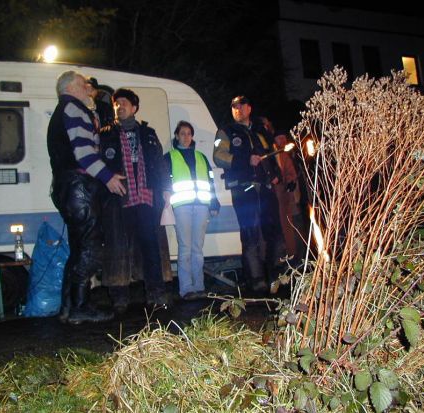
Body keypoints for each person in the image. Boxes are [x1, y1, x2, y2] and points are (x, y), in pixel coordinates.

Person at [47, 70, 126, 324]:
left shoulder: (64, 110)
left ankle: (69, 307)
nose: (88, 89)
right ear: (71, 88)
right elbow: (84, 153)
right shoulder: (73, 108)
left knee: (79, 248)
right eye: (84, 85)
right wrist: (108, 177)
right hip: (78, 187)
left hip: (67, 187)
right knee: (89, 247)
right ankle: (80, 306)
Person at [99, 88, 171, 312]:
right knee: (117, 248)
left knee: (151, 246)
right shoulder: (105, 134)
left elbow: (159, 163)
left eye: (124, 103)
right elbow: (98, 165)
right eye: (116, 103)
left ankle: (156, 293)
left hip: (146, 198)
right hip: (117, 198)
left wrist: (166, 189)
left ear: (134, 108)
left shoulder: (148, 133)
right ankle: (119, 297)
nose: (119, 106)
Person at [213, 96, 286, 293]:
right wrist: (245, 160)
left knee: (275, 233)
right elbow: (219, 157)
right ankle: (256, 281)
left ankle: (276, 277)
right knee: (250, 235)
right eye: (234, 107)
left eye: (241, 106)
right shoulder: (226, 131)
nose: (237, 109)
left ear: (249, 108)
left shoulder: (261, 130)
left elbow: (273, 153)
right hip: (243, 189)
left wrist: (276, 175)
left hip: (265, 187)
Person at [164, 121, 220, 300]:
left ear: (192, 136)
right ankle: (186, 289)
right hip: (181, 207)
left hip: (202, 206)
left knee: (197, 248)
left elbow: (210, 182)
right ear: (177, 136)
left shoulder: (201, 157)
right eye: (182, 133)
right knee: (185, 248)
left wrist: (214, 203)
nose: (186, 137)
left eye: (189, 133)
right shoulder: (169, 157)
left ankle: (199, 286)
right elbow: (164, 181)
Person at [273, 130, 309, 264]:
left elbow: (294, 174)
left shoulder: (291, 154)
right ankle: (293, 258)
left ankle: (302, 257)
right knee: (289, 229)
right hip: (285, 200)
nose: (282, 141)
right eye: (279, 138)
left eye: (283, 138)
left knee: (298, 227)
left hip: (295, 199)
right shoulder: (276, 155)